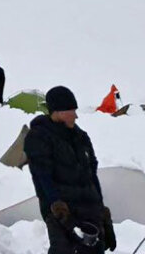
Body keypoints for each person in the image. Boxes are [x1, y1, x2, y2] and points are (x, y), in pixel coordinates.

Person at [24, 86, 115, 253]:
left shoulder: (82, 138)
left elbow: (91, 176)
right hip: (62, 213)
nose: (76, 115)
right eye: (71, 110)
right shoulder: (39, 137)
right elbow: (43, 176)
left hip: (90, 210)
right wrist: (57, 207)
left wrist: (102, 211)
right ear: (58, 112)